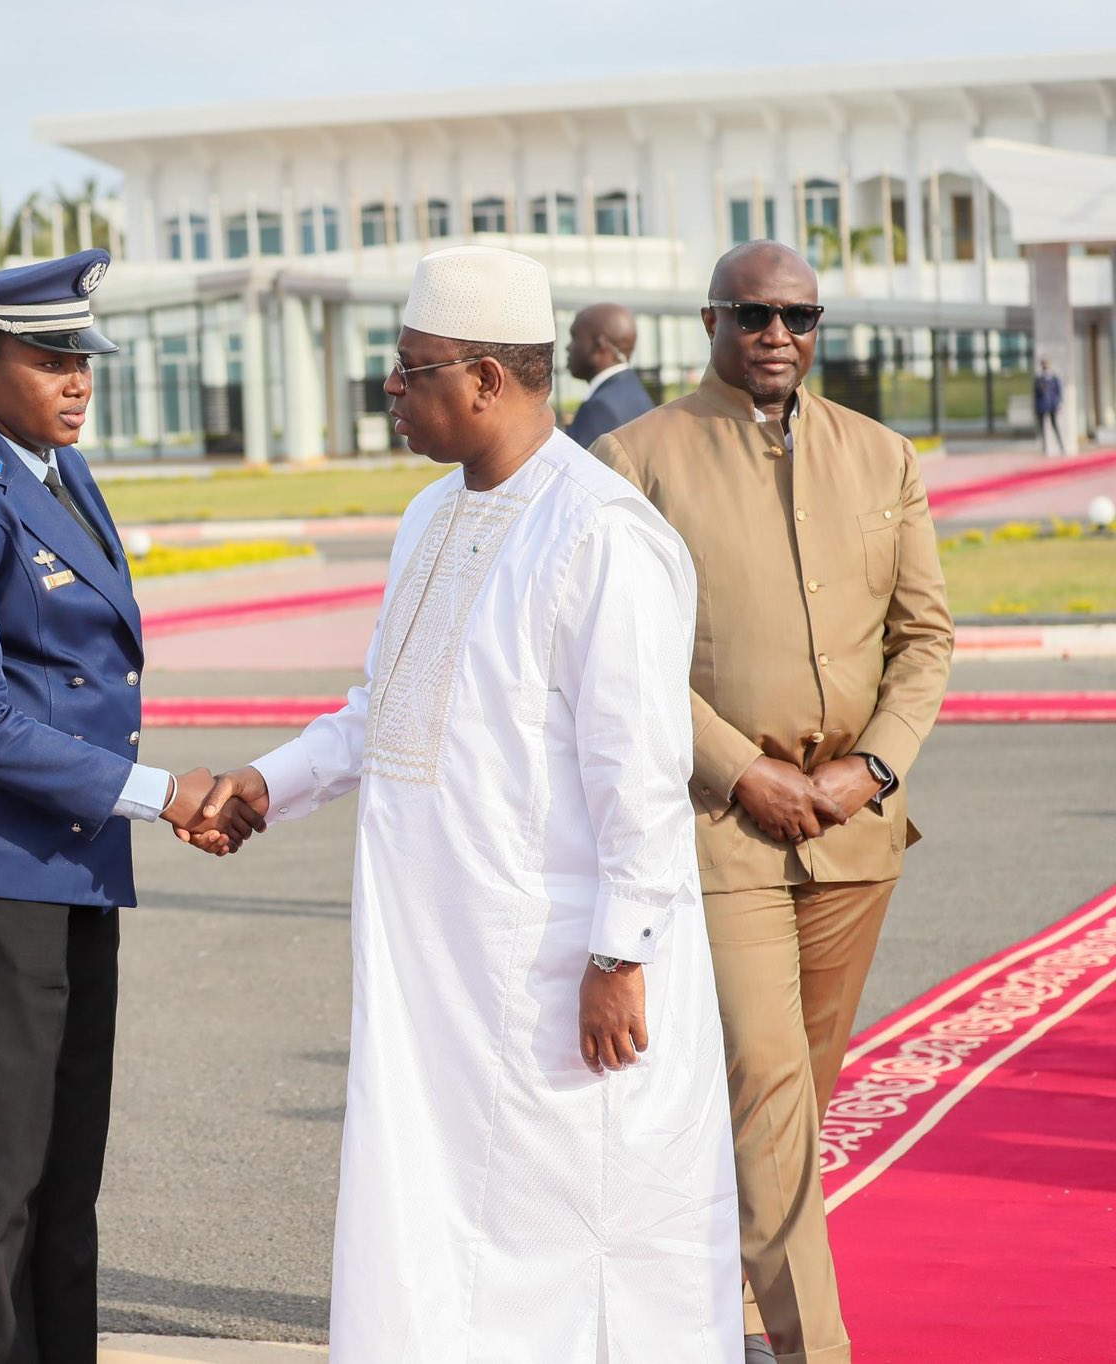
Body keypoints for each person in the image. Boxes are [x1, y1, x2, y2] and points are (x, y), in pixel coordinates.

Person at [187, 245, 740, 1363]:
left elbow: (635, 763)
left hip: (554, 966)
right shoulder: (430, 517)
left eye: (409, 369)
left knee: (580, 1237)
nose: (389, 390)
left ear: (485, 378)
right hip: (436, 967)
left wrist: (618, 952)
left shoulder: (598, 534)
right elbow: (383, 710)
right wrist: (265, 782)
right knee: (438, 1241)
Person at [0, 248, 260, 1364]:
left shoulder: (57, 472)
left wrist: (140, 803)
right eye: (51, 359)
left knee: (63, 1175)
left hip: (71, 858)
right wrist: (160, 794)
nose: (76, 380)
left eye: (83, 358)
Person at [593, 241, 953, 1364]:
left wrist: (874, 767)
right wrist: (740, 768)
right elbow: (621, 656)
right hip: (720, 825)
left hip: (854, 831)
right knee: (764, 1077)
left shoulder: (881, 456)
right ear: (710, 319)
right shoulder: (633, 459)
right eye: (753, 315)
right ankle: (808, 1345)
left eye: (800, 317)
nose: (777, 336)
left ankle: (736, 1301)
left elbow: (923, 638)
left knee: (798, 1083)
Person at [564, 301, 653, 448]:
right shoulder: (634, 390)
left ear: (601, 344)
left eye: (575, 337)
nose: (568, 347)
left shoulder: (599, 408)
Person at [1033, 357, 1064, 455]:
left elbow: (1059, 393)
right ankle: (1044, 448)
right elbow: (1036, 395)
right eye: (1043, 364)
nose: (1045, 366)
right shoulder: (1038, 379)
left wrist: (1058, 404)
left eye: (1046, 364)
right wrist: (1036, 407)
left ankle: (1061, 446)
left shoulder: (1054, 378)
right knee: (1042, 428)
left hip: (1052, 405)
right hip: (1041, 406)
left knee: (1055, 425)